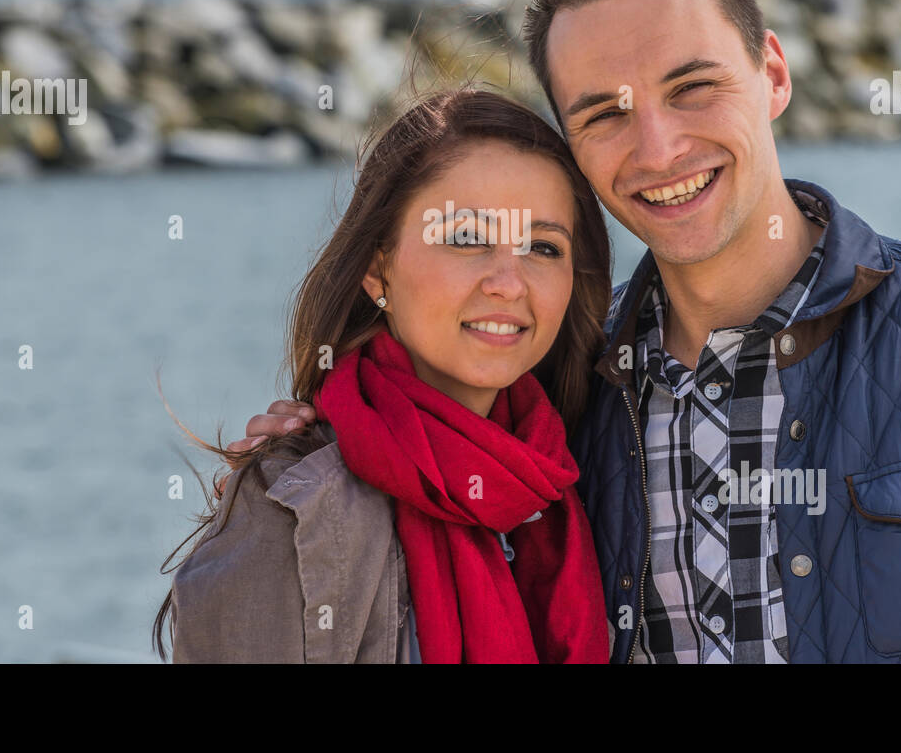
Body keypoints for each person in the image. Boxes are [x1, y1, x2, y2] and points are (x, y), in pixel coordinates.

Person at [242, 0, 901, 662]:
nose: (658, 148)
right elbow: (430, 446)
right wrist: (319, 433)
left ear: (772, 75)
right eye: (606, 113)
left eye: (693, 86)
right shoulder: (560, 394)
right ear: (575, 146)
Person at [155, 89, 613, 663]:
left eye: (543, 247)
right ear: (379, 269)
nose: (509, 282)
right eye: (466, 238)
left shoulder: (585, 463)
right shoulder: (296, 510)